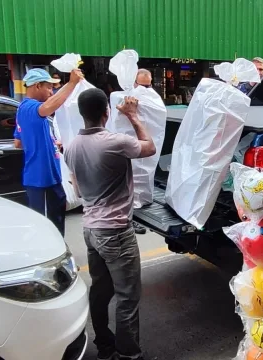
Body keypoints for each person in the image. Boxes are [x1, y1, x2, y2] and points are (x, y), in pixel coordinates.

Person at [64, 89, 156, 360]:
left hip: (90, 230)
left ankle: (104, 347)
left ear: (82, 114)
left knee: (101, 290)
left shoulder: (71, 147)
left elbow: (78, 193)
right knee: (127, 296)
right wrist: (133, 116)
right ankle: (128, 354)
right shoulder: (115, 141)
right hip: (116, 232)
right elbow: (149, 147)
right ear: (106, 112)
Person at [13, 68, 84, 237]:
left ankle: (60, 252)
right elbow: (49, 107)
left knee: (57, 219)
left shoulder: (28, 112)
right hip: (40, 180)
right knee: (47, 226)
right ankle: (53, 257)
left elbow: (18, 142)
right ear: (37, 86)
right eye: (49, 88)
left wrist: (51, 143)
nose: (51, 92)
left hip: (50, 178)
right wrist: (72, 82)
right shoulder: (29, 107)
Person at [131, 68, 153, 235]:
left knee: (146, 170)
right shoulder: (126, 97)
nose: (144, 90)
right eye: (141, 86)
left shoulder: (153, 98)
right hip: (132, 146)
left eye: (148, 86)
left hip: (146, 146)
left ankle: (144, 197)